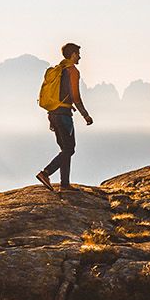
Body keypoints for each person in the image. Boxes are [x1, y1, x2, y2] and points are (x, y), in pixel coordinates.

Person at [36, 42, 94, 192]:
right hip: (64, 115)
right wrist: (85, 115)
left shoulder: (59, 69)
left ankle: (65, 184)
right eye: (78, 54)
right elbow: (75, 96)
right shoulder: (72, 71)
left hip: (53, 114)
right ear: (73, 54)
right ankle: (45, 173)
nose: (80, 57)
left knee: (65, 149)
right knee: (69, 149)